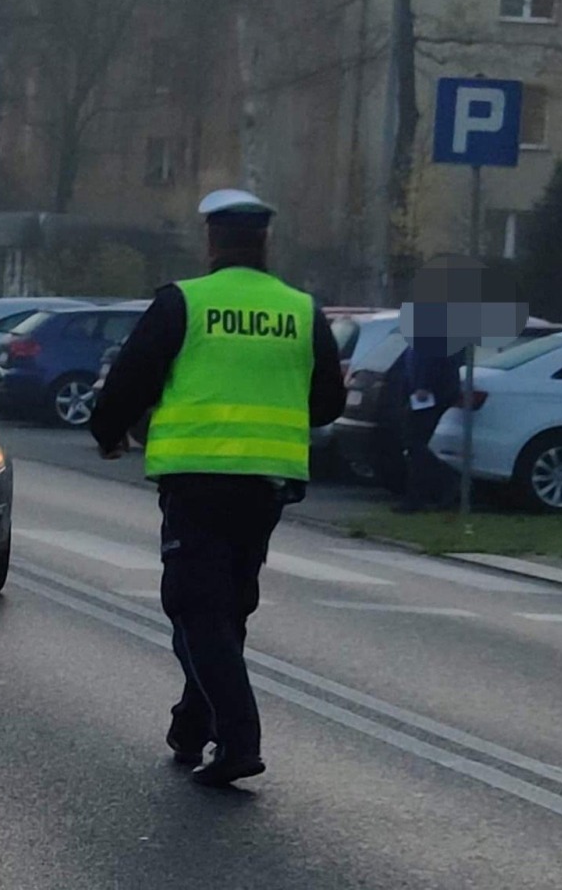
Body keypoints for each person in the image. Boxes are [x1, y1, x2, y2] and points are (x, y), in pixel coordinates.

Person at [89, 189, 346, 787]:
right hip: (267, 485)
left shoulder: (185, 302)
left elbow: (132, 376)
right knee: (226, 608)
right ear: (265, 242)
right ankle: (192, 723)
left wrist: (108, 432)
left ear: (211, 241)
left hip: (198, 478)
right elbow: (328, 402)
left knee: (194, 607)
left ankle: (238, 741)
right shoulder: (302, 311)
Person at [393, 335, 464, 514]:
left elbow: (435, 364)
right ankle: (423, 494)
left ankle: (447, 481)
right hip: (418, 396)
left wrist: (423, 386)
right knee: (414, 446)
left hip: (430, 397)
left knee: (415, 445)